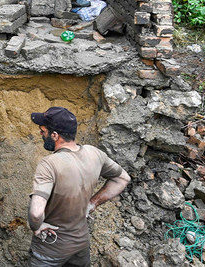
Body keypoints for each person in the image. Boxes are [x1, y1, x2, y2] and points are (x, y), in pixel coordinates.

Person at [27, 107, 130, 266]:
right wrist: (93, 203)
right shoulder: (95, 154)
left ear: (55, 136)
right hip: (80, 245)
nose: (41, 135)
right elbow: (122, 178)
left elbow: (35, 213)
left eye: (43, 131)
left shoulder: (49, 164)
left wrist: (37, 225)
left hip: (50, 248)